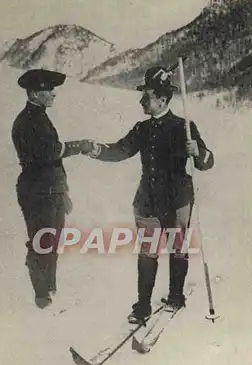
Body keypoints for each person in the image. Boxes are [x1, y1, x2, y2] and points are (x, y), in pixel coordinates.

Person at [81, 66, 214, 323]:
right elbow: (120, 150)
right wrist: (95, 149)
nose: (142, 101)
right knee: (147, 252)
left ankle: (176, 296)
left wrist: (197, 151)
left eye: (147, 96)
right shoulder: (141, 129)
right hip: (148, 200)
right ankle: (143, 306)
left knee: (177, 248)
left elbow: (207, 163)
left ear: (162, 99)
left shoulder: (184, 127)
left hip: (177, 199)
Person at [12, 69, 92, 309]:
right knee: (41, 241)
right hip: (37, 192)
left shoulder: (38, 116)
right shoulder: (29, 120)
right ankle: (41, 295)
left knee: (51, 241)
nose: (54, 94)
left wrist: (62, 193)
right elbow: (50, 152)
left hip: (49, 190)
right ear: (35, 93)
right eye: (49, 90)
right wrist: (81, 146)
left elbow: (52, 160)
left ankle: (49, 288)